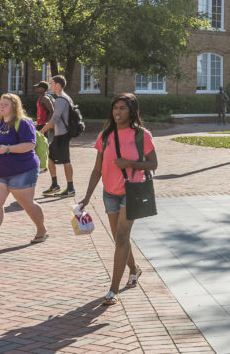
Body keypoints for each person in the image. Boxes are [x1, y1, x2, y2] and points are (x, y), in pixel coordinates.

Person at [78, 93, 158, 306]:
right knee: (118, 238)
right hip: (109, 192)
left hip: (132, 191)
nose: (118, 112)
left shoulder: (142, 135)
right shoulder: (105, 136)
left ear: (132, 111)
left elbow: (153, 165)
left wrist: (130, 164)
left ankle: (113, 290)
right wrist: (86, 197)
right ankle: (134, 269)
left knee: (122, 236)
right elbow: (97, 170)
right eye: (115, 108)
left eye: (122, 108)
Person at [0, 93, 46, 248]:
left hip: (22, 170)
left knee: (27, 203)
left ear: (14, 106)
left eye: (6, 104)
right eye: (1, 104)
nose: (1, 107)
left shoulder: (23, 123)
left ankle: (41, 231)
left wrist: (8, 149)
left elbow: (29, 145)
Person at [40, 75, 76, 197]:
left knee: (66, 160)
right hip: (60, 134)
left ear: (58, 85)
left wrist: (42, 130)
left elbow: (55, 118)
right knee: (49, 156)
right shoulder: (65, 98)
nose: (51, 85)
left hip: (62, 134)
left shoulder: (61, 99)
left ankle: (70, 188)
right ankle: (55, 184)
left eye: (52, 83)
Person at [32, 81, 52, 174]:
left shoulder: (45, 99)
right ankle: (39, 165)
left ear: (43, 89)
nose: (36, 88)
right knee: (38, 145)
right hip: (39, 124)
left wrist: (46, 124)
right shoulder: (40, 98)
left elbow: (52, 111)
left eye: (38, 87)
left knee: (42, 146)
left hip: (43, 125)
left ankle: (44, 167)